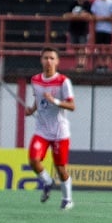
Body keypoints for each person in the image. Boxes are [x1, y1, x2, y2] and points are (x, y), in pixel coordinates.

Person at [25, 47, 76, 210]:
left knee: (61, 169)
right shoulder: (35, 80)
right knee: (33, 160)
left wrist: (55, 101)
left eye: (52, 58)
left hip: (59, 132)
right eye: (46, 58)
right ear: (41, 60)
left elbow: (72, 106)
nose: (48, 61)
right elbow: (39, 100)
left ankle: (67, 199)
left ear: (57, 61)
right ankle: (47, 181)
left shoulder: (63, 81)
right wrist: (32, 110)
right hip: (41, 130)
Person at [63, 0, 92, 71]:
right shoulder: (73, 4)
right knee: (75, 47)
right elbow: (66, 15)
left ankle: (82, 64)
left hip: (83, 30)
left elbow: (89, 16)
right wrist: (79, 15)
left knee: (82, 47)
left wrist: (76, 15)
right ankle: (78, 63)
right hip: (73, 29)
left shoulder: (87, 5)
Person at [90, 0, 112, 71]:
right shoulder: (96, 2)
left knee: (107, 48)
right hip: (98, 28)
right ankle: (100, 64)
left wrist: (102, 18)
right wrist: (102, 18)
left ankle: (107, 64)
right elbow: (93, 15)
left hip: (108, 29)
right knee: (99, 47)